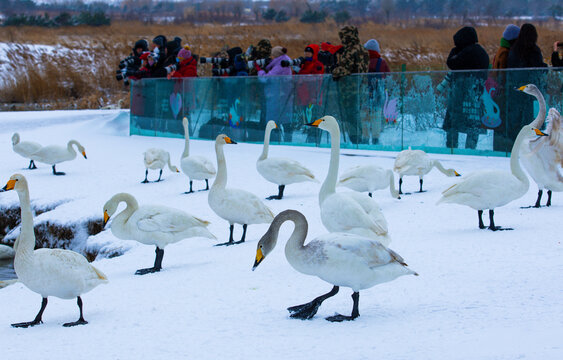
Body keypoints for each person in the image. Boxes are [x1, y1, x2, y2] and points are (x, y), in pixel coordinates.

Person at [442, 26, 489, 150]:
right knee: (473, 124)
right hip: (476, 96)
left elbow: (452, 63)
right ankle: (471, 149)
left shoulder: (465, 52)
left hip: (459, 95)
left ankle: (451, 148)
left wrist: (455, 51)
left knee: (453, 123)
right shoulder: (481, 52)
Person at [504, 23, 547, 149]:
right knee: (529, 120)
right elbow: (538, 69)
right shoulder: (533, 50)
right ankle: (526, 147)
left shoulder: (514, 50)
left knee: (515, 121)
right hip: (529, 92)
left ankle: (513, 146)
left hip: (515, 91)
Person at [332, 25, 370, 144]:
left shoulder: (350, 50)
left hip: (350, 88)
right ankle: (361, 138)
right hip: (361, 86)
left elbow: (346, 69)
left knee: (351, 114)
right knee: (357, 113)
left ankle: (355, 139)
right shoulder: (363, 50)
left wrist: (333, 71)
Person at [491, 24, 519, 151]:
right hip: (502, 93)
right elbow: (502, 73)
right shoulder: (506, 53)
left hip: (497, 92)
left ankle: (500, 147)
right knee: (503, 123)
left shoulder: (501, 50)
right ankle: (504, 149)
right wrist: (504, 85)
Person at [362, 38, 390, 144]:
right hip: (378, 93)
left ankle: (364, 138)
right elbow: (388, 77)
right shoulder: (382, 62)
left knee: (364, 115)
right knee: (376, 116)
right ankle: (375, 138)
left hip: (364, 92)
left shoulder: (363, 62)